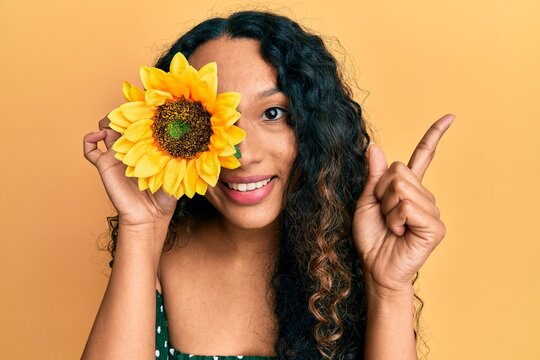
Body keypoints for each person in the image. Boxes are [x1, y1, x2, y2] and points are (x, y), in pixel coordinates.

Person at [82, 10, 453, 360]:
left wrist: (389, 288)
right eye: (210, 119)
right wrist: (141, 227)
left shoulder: (355, 263)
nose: (240, 154)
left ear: (317, 130)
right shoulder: (154, 259)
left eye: (273, 113)